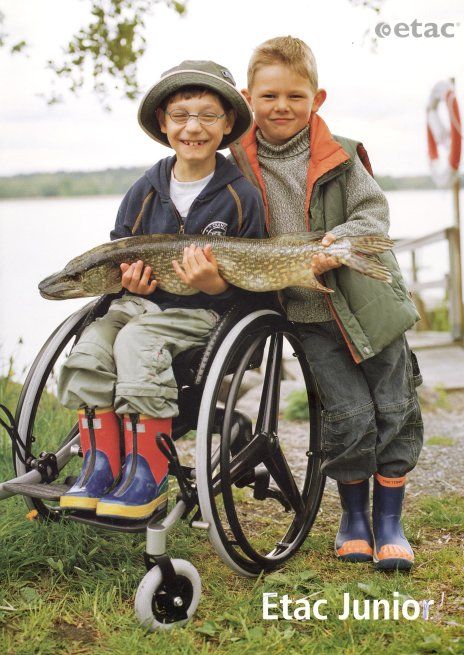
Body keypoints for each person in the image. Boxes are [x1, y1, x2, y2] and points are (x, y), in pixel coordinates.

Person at [230, 36, 423, 571]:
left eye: (295, 95)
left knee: (394, 408)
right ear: (249, 97)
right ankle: (354, 519)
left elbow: (372, 216)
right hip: (309, 316)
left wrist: (326, 250)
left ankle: (390, 522)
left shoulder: (341, 153)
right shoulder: (237, 166)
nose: (282, 107)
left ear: (317, 98)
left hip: (369, 306)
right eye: (269, 96)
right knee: (349, 415)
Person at [57, 60, 265, 520]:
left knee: (137, 341)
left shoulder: (240, 196)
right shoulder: (144, 189)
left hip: (203, 314)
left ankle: (144, 475)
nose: (194, 126)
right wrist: (127, 282)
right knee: (89, 350)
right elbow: (119, 249)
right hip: (136, 302)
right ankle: (99, 466)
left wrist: (213, 284)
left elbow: (250, 279)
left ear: (228, 123)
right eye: (181, 115)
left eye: (208, 115)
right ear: (163, 123)